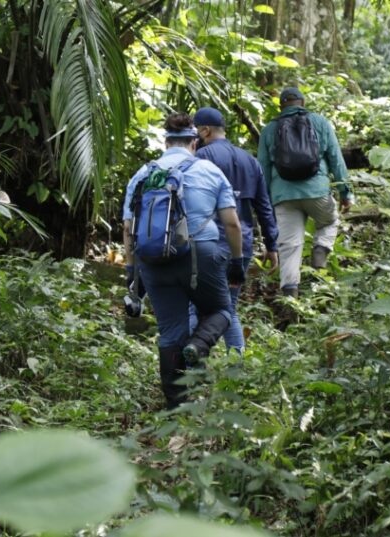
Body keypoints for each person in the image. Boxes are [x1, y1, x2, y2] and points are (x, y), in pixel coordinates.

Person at [124, 112, 246, 408]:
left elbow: (128, 229)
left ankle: (176, 408)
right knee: (221, 310)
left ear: (166, 142)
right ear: (194, 142)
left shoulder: (143, 174)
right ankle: (198, 345)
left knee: (170, 332)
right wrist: (237, 262)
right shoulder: (209, 170)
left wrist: (131, 272)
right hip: (200, 255)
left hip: (153, 260)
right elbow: (231, 224)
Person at [191, 106, 279, 353]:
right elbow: (264, 207)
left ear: (205, 130)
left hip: (210, 243)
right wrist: (272, 246)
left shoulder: (202, 158)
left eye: (197, 131)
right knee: (228, 308)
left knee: (195, 306)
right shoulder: (250, 160)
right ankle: (236, 366)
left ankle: (190, 367)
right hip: (242, 246)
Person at [257, 87, 353, 298]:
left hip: (283, 196)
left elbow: (262, 169)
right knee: (328, 222)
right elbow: (336, 160)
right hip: (316, 191)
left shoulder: (269, 130)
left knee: (290, 246)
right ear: (303, 102)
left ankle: (291, 297)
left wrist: (264, 202)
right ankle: (320, 254)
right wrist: (346, 193)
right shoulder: (319, 122)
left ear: (281, 105)